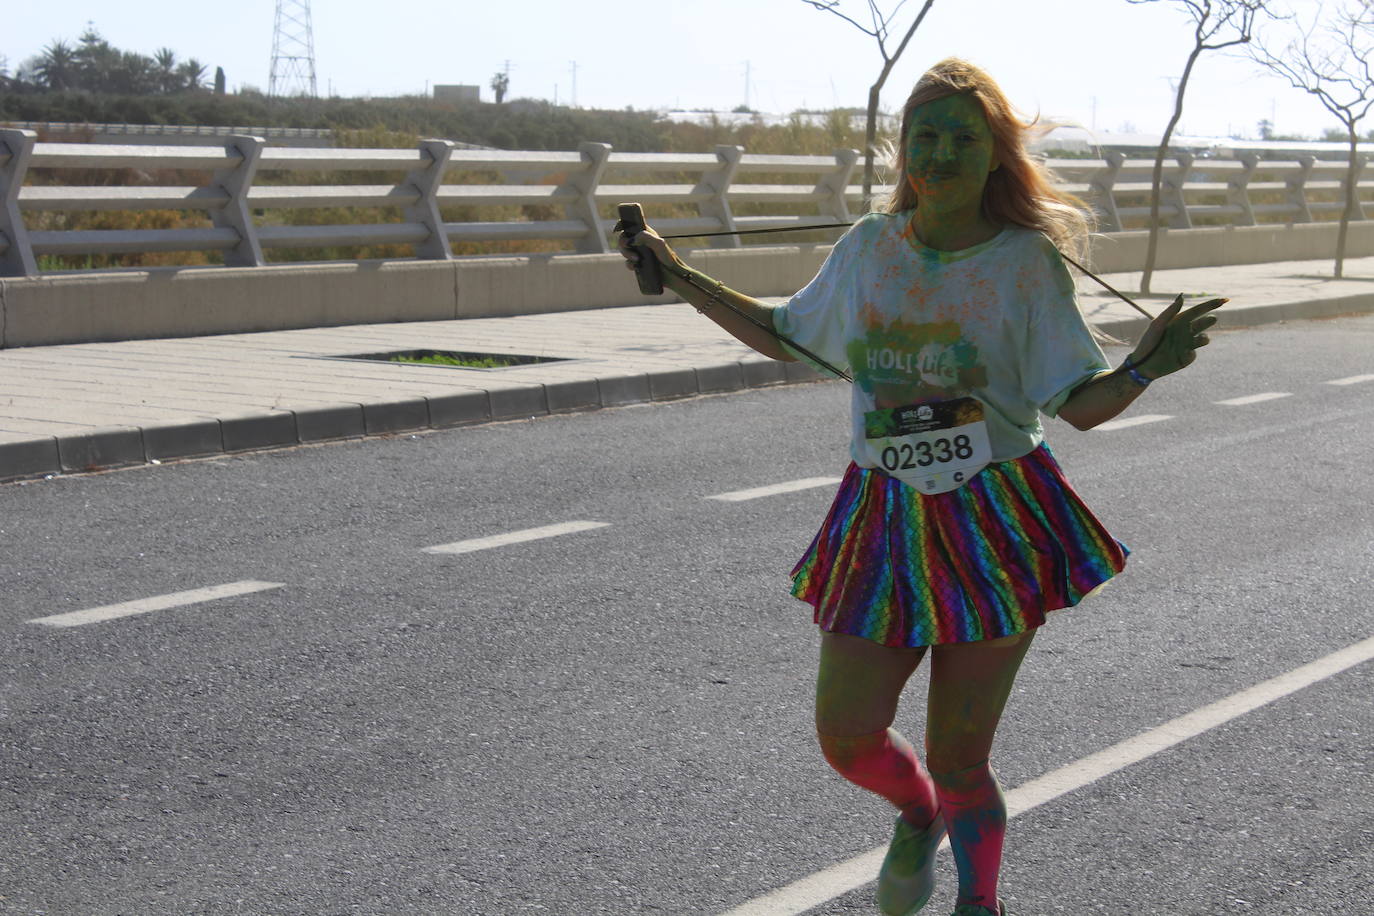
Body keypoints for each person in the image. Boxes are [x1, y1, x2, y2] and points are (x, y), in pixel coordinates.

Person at [617, 58, 1223, 916]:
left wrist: (1143, 369)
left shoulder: (1025, 264)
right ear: (903, 151)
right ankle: (915, 815)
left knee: (962, 759)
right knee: (846, 736)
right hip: (883, 516)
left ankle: (981, 904)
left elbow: (1078, 408)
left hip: (995, 518)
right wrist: (674, 273)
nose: (939, 155)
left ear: (993, 157)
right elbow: (787, 335)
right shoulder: (870, 248)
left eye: (961, 140)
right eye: (925, 137)